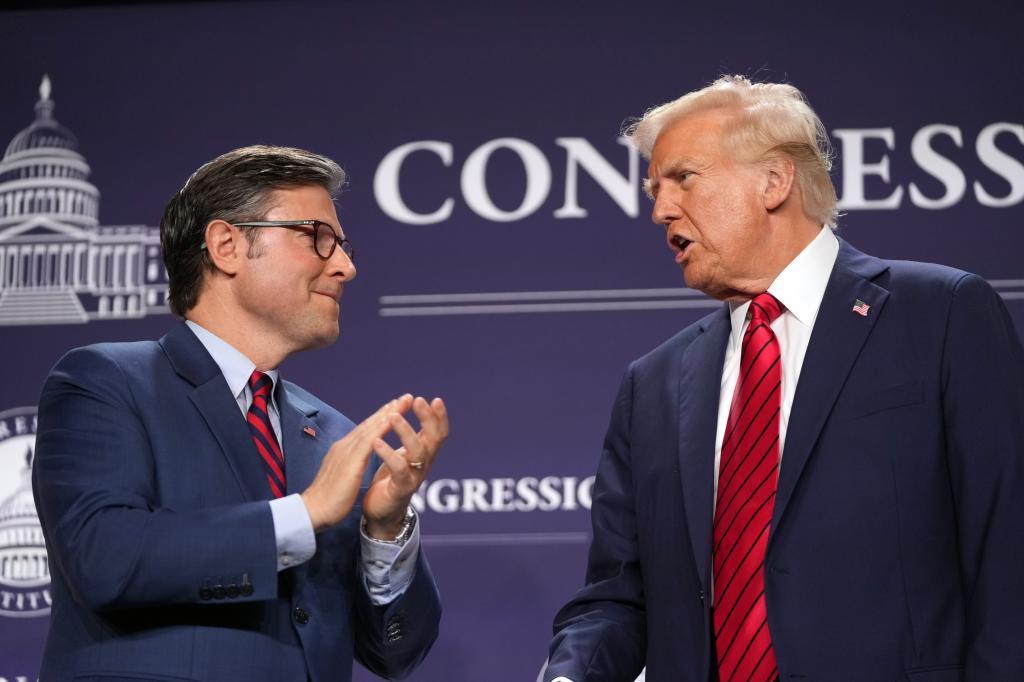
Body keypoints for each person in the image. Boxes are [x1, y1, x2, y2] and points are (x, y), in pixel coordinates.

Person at [545, 76, 1024, 682]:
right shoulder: (654, 385)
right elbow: (619, 596)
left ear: (773, 182)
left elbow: (1007, 550)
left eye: (683, 178)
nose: (660, 208)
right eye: (655, 188)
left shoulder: (941, 313)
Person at [32, 145, 447, 682]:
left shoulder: (335, 436)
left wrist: (386, 529)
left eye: (341, 244)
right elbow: (103, 559)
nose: (345, 265)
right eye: (316, 236)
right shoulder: (106, 382)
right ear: (227, 245)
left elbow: (396, 654)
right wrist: (305, 512)